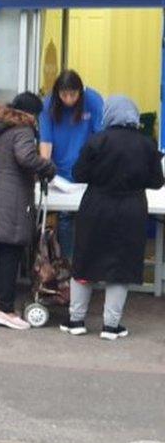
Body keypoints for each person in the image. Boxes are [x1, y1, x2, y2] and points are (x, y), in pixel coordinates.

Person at [60, 96, 164, 340]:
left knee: (85, 260)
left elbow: (78, 173)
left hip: (96, 207)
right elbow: (157, 182)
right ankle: (111, 326)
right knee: (121, 266)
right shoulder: (147, 144)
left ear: (109, 114)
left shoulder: (97, 140)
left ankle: (76, 320)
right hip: (131, 209)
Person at [0, 92, 55, 330]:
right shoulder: (22, 129)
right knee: (10, 254)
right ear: (31, 114)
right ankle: (5, 310)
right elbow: (25, 158)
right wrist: (46, 166)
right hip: (12, 199)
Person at [39, 70, 103, 260]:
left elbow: (100, 137)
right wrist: (46, 171)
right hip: (60, 174)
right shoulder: (49, 104)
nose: (68, 99)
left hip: (87, 170)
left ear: (80, 92)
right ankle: (68, 263)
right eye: (63, 94)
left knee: (90, 217)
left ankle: (88, 262)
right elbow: (46, 141)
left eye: (73, 94)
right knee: (65, 218)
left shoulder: (93, 100)